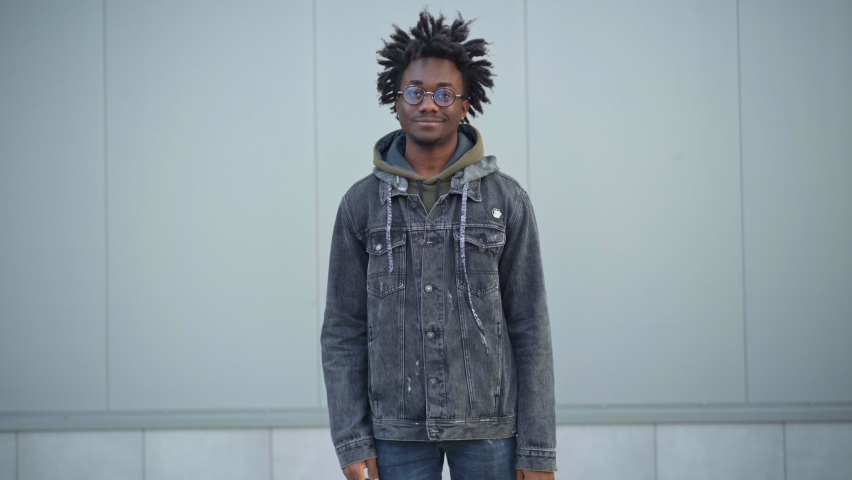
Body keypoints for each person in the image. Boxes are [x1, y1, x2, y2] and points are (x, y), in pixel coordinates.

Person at [321, 10, 556, 480]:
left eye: (444, 93)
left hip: (490, 431)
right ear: (396, 100)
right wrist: (351, 441)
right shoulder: (360, 205)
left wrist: (537, 450)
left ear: (465, 104)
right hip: (395, 437)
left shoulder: (506, 200)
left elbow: (530, 329)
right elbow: (342, 332)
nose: (429, 104)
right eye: (415, 92)